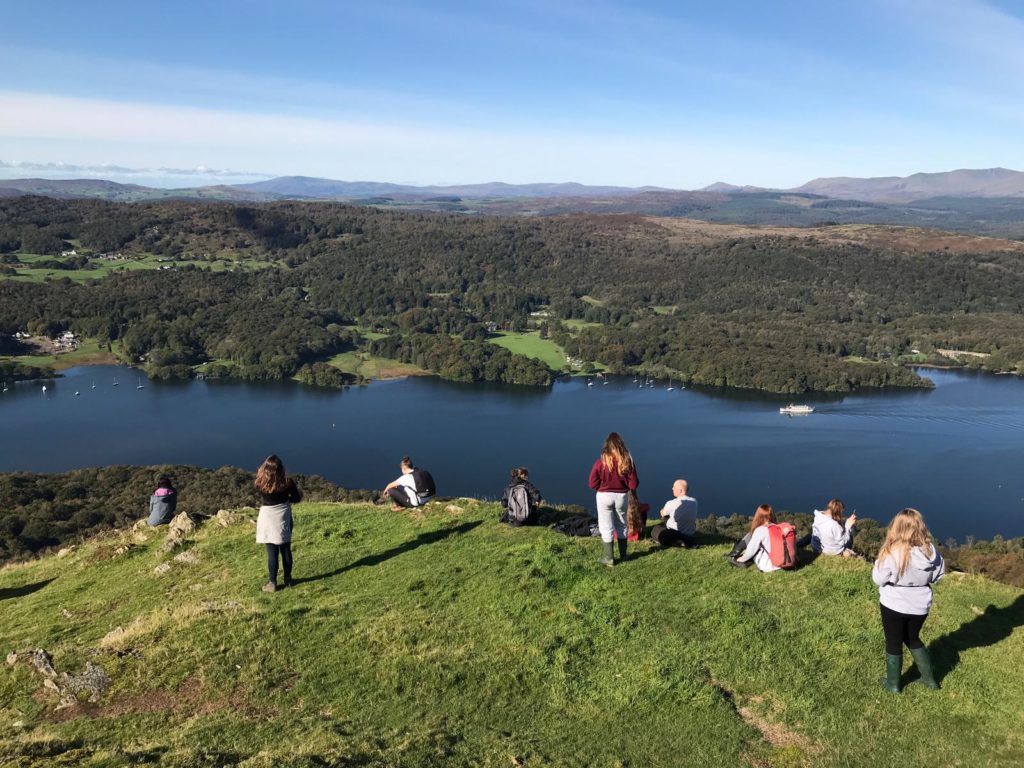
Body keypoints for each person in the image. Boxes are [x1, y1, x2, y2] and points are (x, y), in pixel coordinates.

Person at [872, 508, 945, 693]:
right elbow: (938, 576)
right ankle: (929, 680)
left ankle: (894, 684)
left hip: (894, 604)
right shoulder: (931, 552)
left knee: (893, 641)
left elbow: (878, 579)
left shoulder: (892, 552)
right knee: (913, 638)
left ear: (896, 527)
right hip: (920, 605)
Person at [588, 432, 639, 566]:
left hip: (604, 496)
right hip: (621, 496)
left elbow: (592, 484)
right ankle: (623, 555)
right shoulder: (627, 462)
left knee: (606, 527)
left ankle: (609, 558)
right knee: (622, 524)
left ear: (607, 447)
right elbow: (633, 485)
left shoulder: (600, 463)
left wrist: (603, 486)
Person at [254, 454, 302, 593]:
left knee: (272, 553)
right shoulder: (288, 483)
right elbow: (296, 498)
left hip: (267, 518)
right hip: (283, 517)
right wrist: (286, 497)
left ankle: (272, 583)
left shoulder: (259, 482)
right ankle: (288, 579)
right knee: (286, 549)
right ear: (281, 468)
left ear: (265, 468)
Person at [731, 504, 781, 572]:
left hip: (769, 565)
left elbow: (751, 550)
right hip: (782, 561)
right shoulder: (778, 527)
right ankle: (735, 552)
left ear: (758, 516)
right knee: (752, 536)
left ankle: (734, 553)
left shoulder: (760, 530)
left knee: (752, 539)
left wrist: (741, 559)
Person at [651, 479, 698, 548]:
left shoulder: (671, 503)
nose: (672, 488)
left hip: (673, 533)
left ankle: (678, 542)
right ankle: (683, 541)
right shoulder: (694, 501)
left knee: (655, 530)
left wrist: (664, 512)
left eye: (674, 487)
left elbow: (662, 513)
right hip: (689, 534)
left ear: (681, 490)